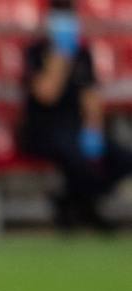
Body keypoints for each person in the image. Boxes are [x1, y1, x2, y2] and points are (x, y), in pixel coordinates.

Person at [19, 0, 132, 231]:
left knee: (122, 158)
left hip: (76, 127)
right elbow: (46, 93)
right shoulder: (36, 52)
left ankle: (73, 201)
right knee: (74, 157)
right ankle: (83, 207)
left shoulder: (83, 53)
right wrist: (60, 58)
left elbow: (90, 95)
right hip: (44, 130)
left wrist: (94, 130)